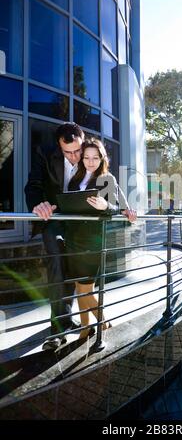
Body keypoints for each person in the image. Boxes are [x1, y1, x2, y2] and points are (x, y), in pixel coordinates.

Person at [65, 138, 136, 339]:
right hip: (73, 239)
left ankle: (105, 325)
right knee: (80, 288)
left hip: (92, 241)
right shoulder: (74, 179)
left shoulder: (107, 179)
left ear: (102, 158)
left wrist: (106, 206)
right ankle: (85, 329)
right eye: (86, 157)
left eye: (95, 157)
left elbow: (119, 208)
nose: (90, 161)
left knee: (86, 291)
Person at [25, 122, 85, 350]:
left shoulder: (91, 154)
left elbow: (108, 183)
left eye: (77, 150)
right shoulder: (45, 153)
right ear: (59, 147)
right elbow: (33, 185)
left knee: (74, 267)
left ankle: (67, 317)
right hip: (54, 220)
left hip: (81, 224)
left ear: (83, 141)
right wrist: (38, 203)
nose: (73, 157)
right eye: (67, 152)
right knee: (57, 264)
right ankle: (57, 331)